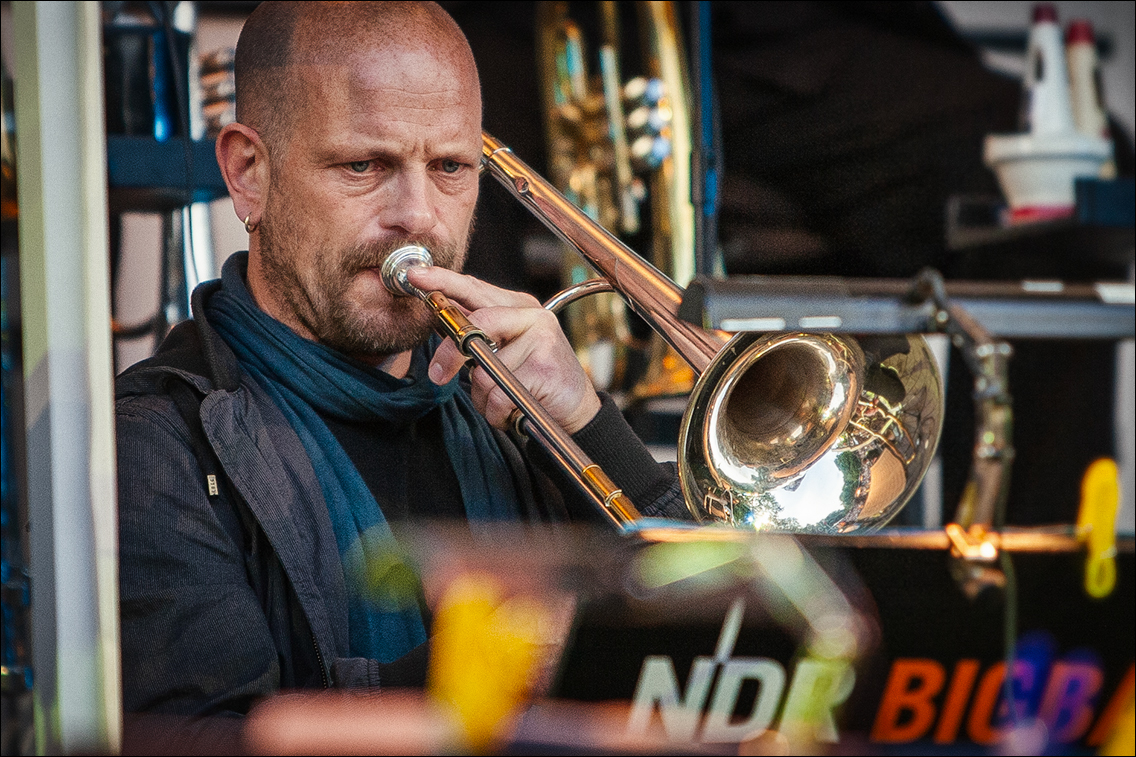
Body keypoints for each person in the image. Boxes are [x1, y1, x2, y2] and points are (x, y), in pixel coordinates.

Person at [114, 0, 685, 728]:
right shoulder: (154, 446)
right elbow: (208, 735)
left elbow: (730, 648)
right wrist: (504, 658)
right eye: (365, 164)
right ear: (249, 173)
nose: (417, 215)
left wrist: (589, 423)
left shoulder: (518, 410)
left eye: (450, 166)